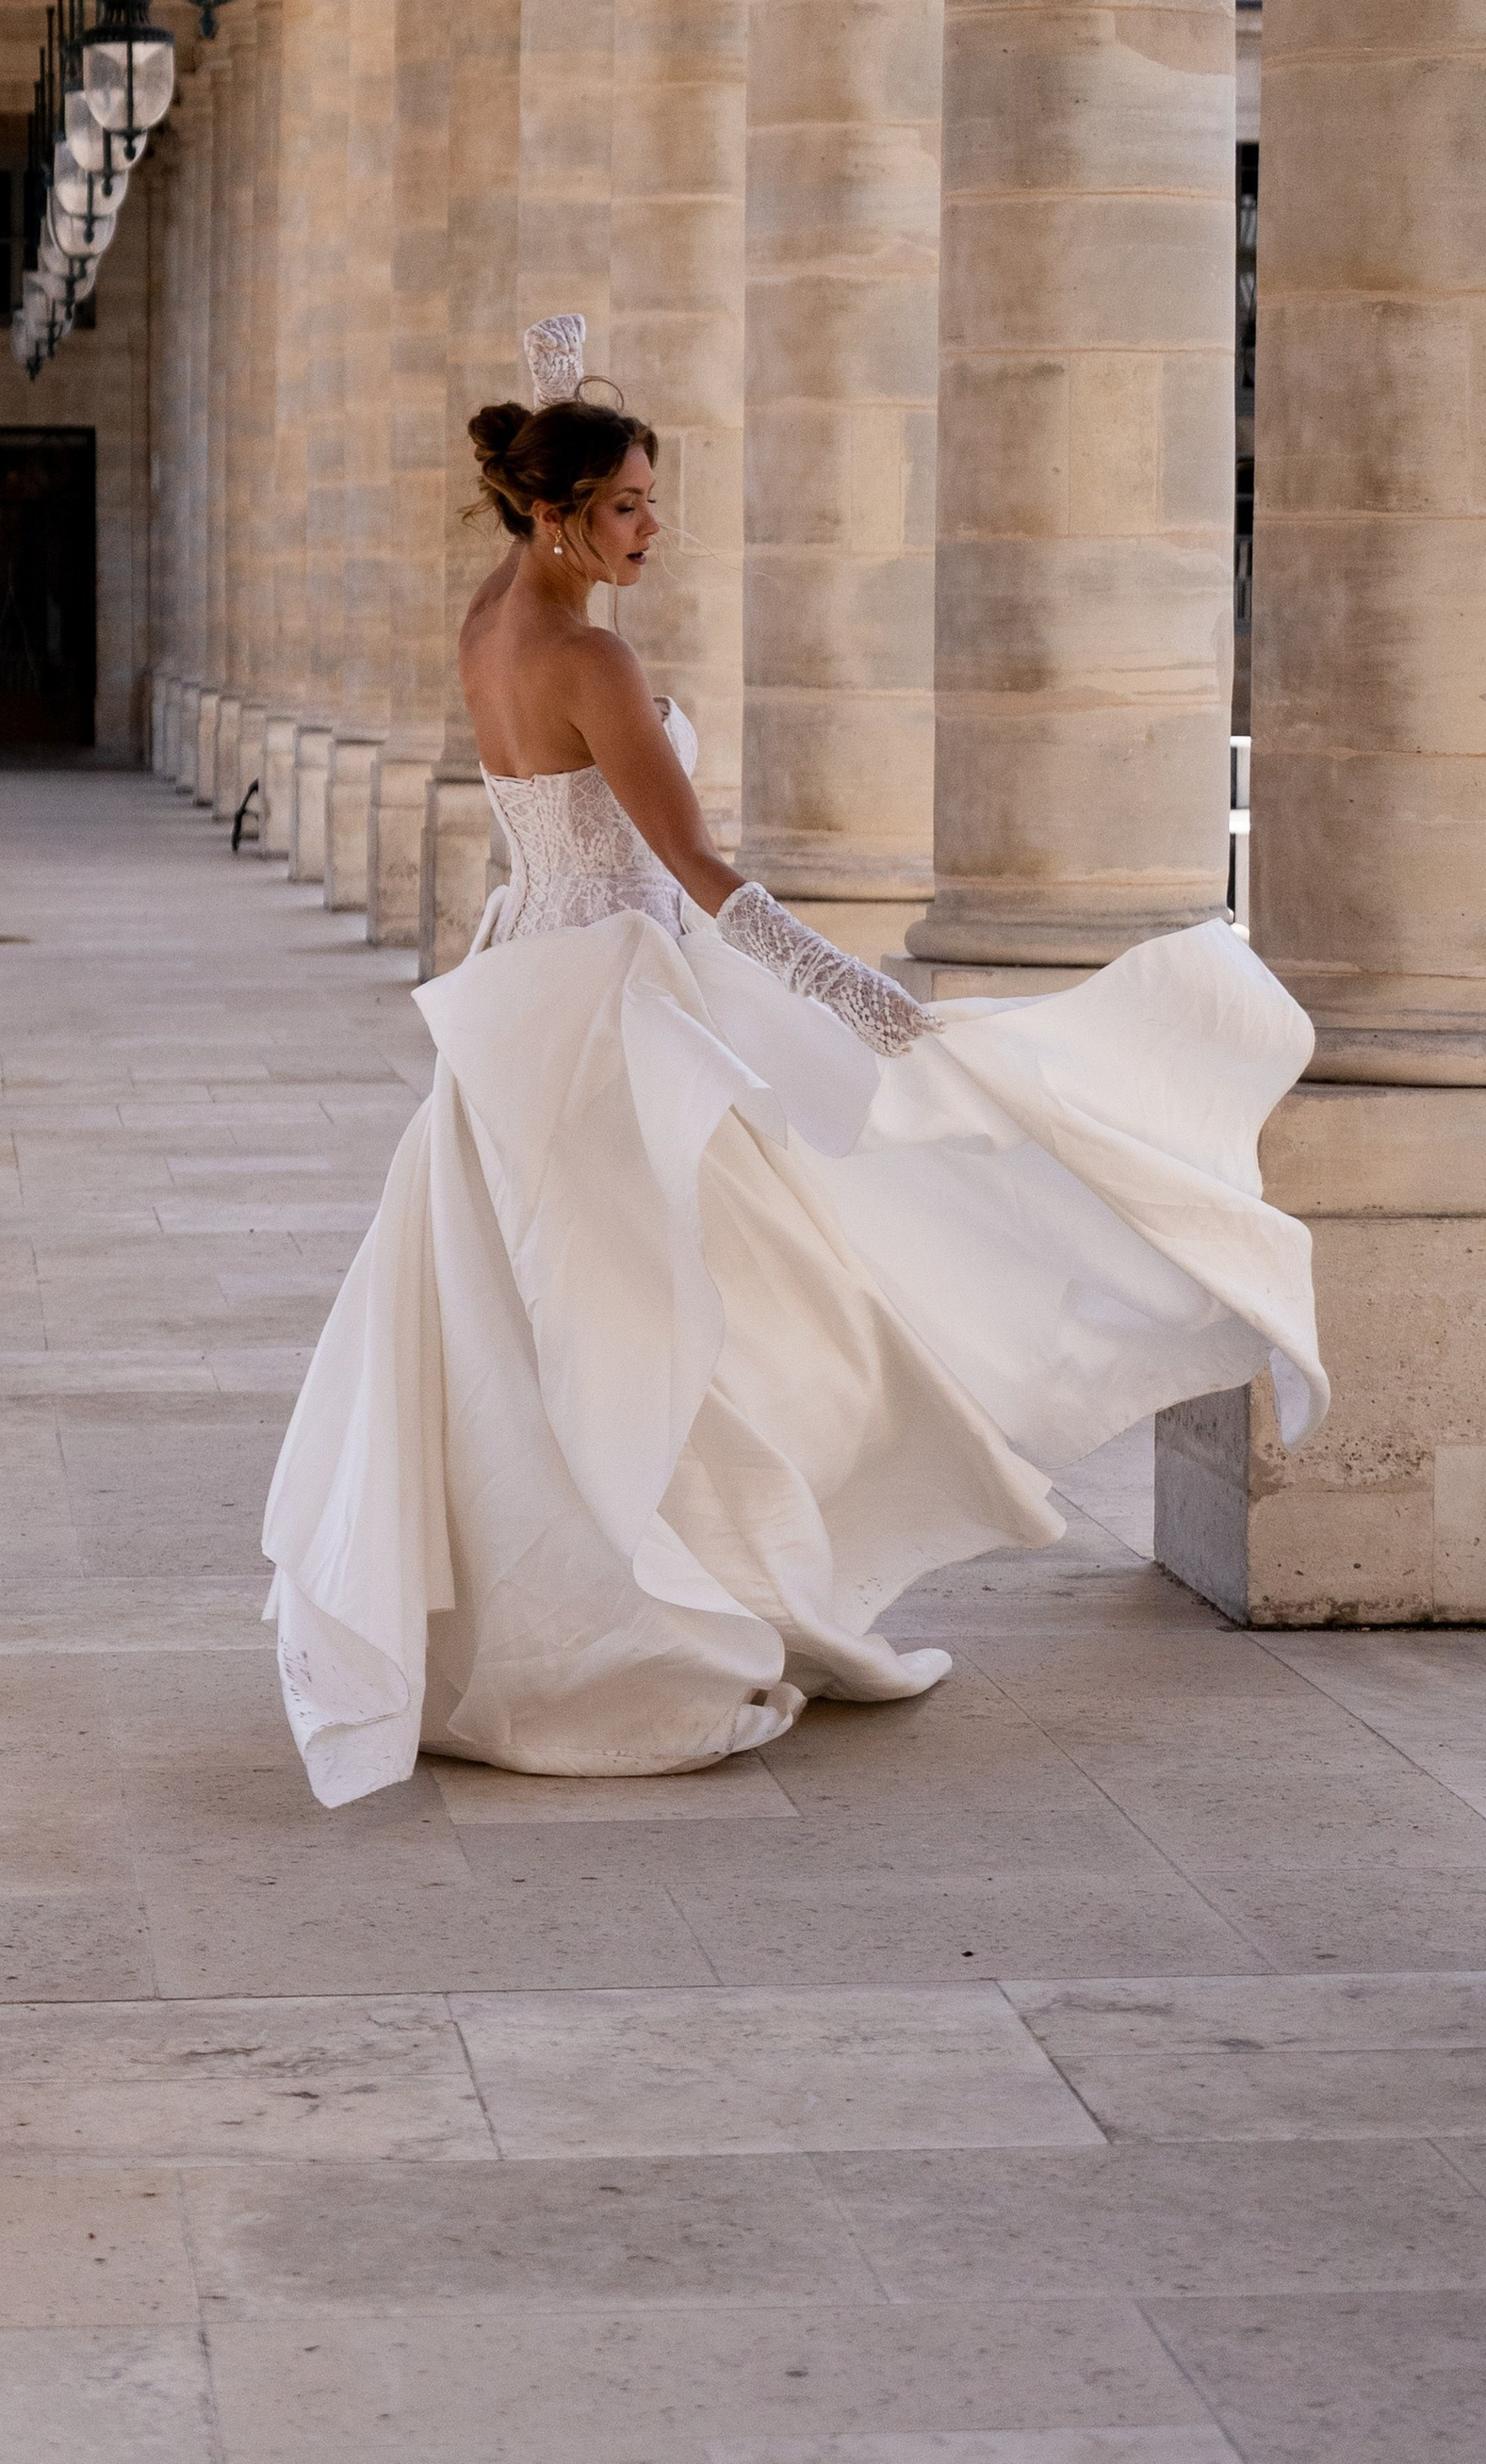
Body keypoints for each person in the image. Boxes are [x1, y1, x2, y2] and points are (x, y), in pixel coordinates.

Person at [262, 314, 1326, 1807]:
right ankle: (647, 1624)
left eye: (652, 499)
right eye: (630, 504)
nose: (656, 528)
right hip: (614, 1015)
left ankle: (592, 1611)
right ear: (561, 512)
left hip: (526, 993)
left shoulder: (488, 623)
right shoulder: (587, 659)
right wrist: (863, 1000)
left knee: (577, 1324)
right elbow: (698, 873)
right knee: (676, 1312)